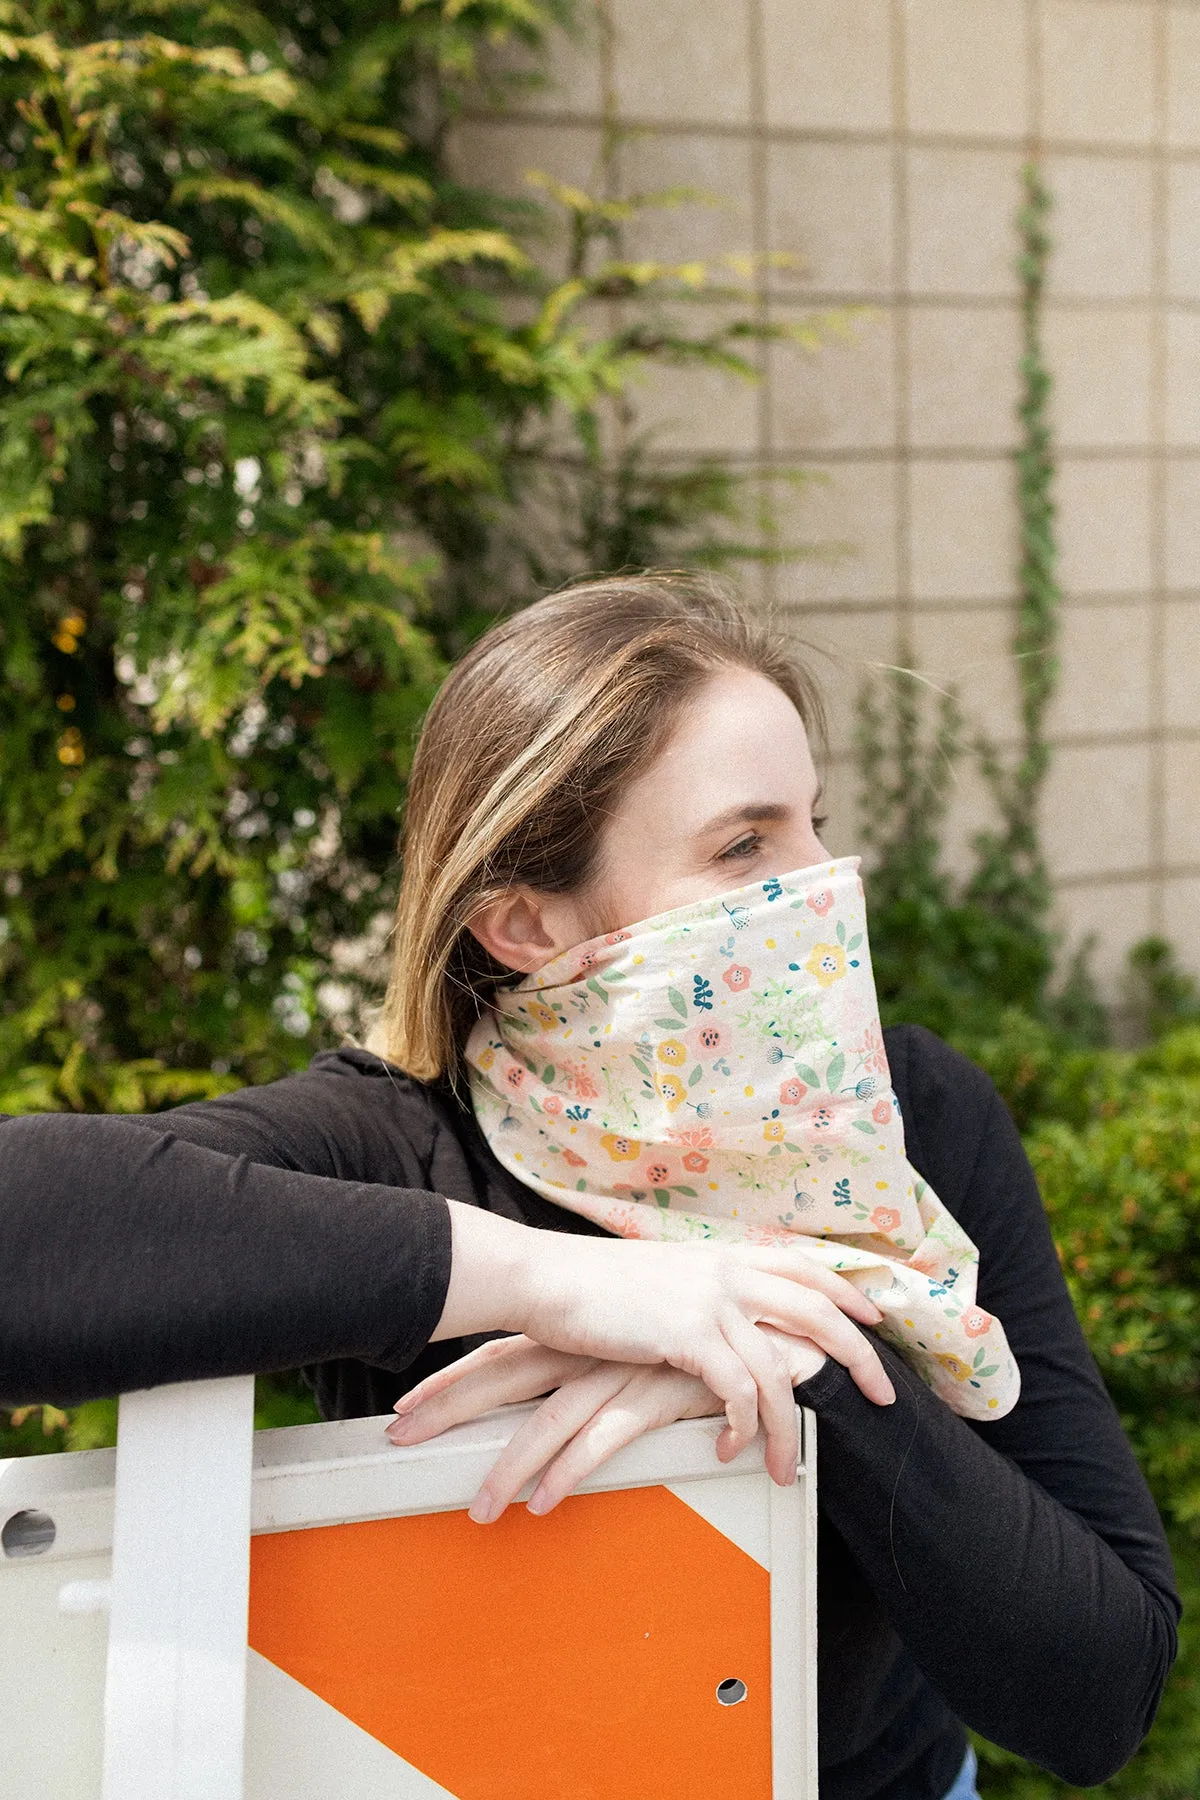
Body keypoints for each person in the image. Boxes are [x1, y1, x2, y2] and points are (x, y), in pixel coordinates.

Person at [0, 573, 1178, 1800]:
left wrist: (798, 1349)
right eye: (746, 846)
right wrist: (574, 1284)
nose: (825, 887)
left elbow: (1103, 1693)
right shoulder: (405, 1139)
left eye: (813, 828)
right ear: (525, 925)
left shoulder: (913, 1121)